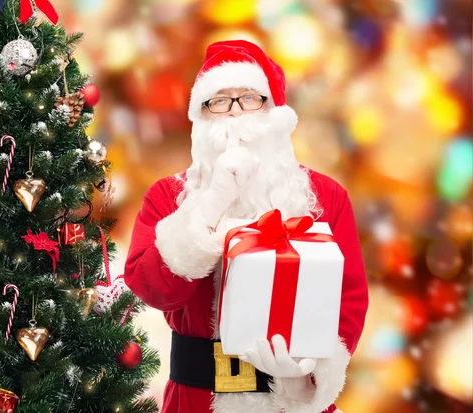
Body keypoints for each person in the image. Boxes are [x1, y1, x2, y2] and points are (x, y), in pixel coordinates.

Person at [123, 40, 369, 413]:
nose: (235, 113)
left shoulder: (325, 196)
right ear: (202, 116)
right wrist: (213, 200)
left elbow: (349, 299)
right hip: (196, 399)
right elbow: (154, 290)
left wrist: (307, 379)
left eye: (250, 98)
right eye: (219, 100)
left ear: (274, 111)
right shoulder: (168, 196)